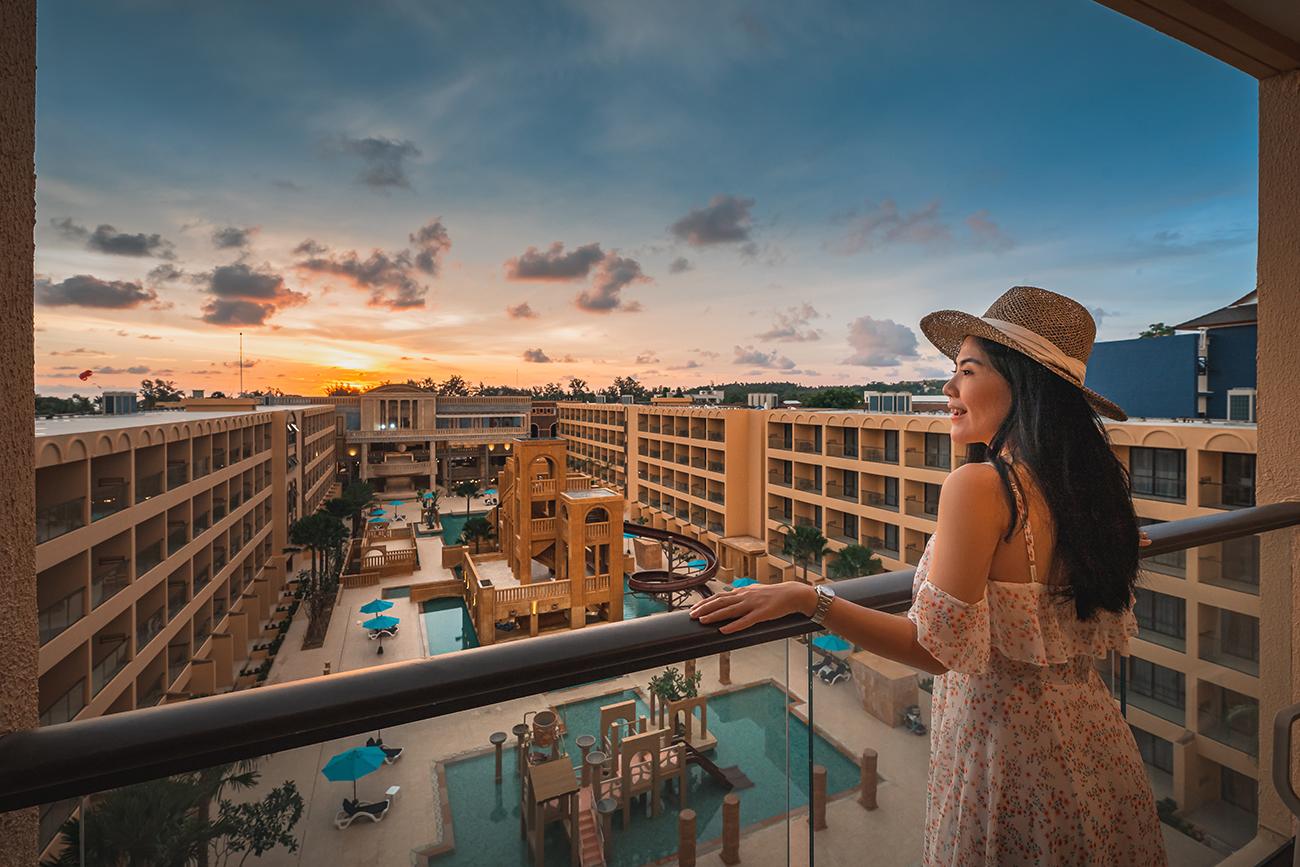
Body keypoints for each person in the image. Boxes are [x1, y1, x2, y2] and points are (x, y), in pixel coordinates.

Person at [691, 286, 1167, 866]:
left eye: (966, 371)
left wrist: (806, 599)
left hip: (1009, 761)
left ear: (1023, 385)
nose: (947, 390)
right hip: (1095, 751)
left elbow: (933, 649)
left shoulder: (982, 487)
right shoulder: (1090, 497)